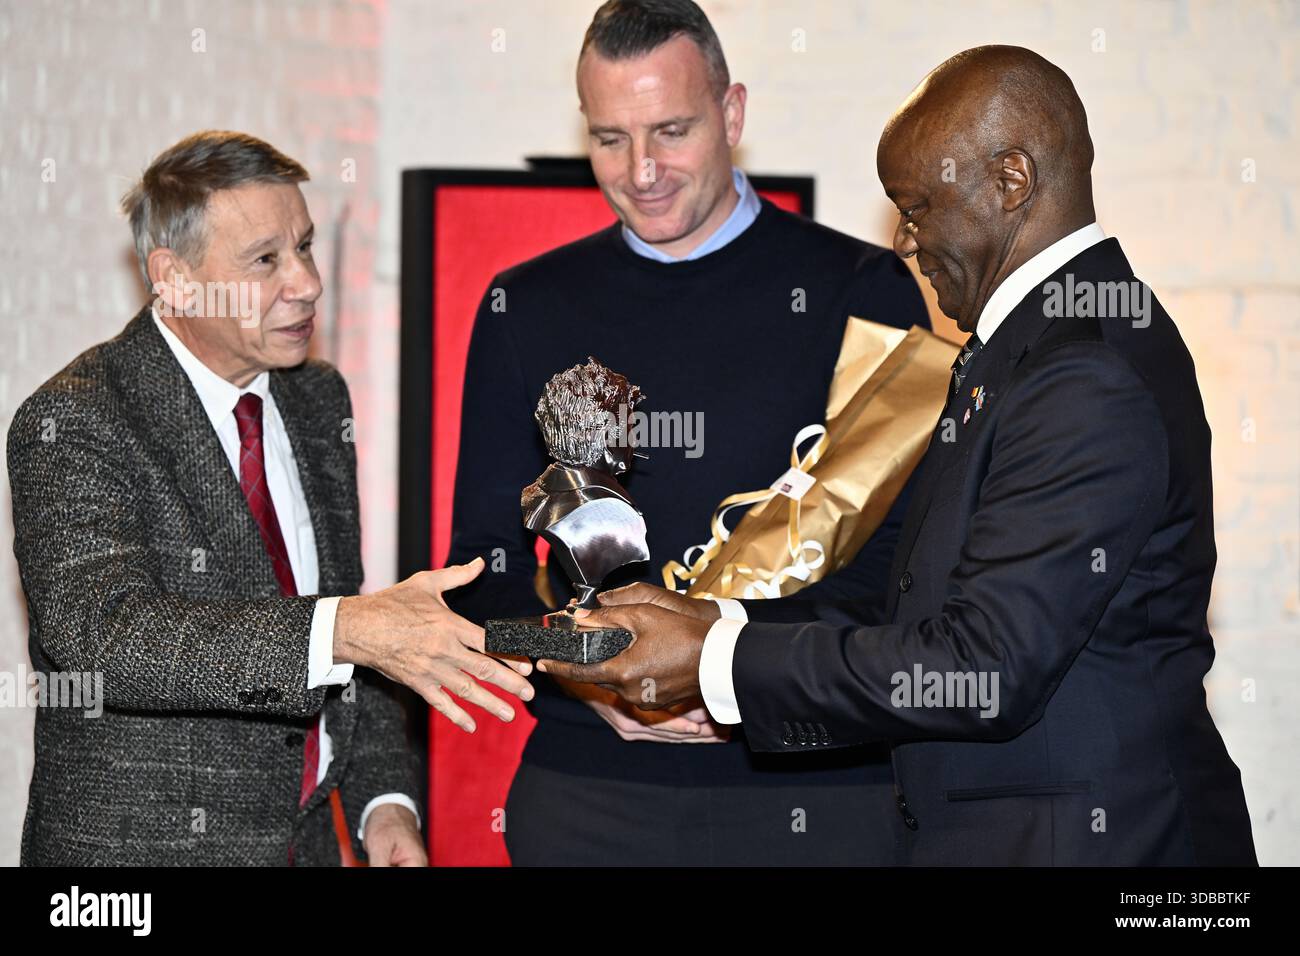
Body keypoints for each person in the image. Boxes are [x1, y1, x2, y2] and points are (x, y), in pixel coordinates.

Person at [547, 45, 1258, 866]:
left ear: (1012, 180)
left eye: (918, 206)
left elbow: (985, 667)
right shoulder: (1027, 348)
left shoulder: (1084, 367)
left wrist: (716, 658)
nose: (908, 241)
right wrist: (718, 619)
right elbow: (919, 619)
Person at [447, 0, 928, 865]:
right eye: (609, 138)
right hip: (589, 785)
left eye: (671, 130)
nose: (642, 170)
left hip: (815, 788)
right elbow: (485, 573)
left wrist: (728, 670)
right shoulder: (525, 304)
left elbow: (900, 569)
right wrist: (584, 676)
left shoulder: (863, 289)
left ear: (732, 112)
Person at [9, 131, 532, 866]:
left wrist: (385, 804)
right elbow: (103, 639)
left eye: (306, 247)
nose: (308, 283)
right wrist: (343, 629)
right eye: (265, 261)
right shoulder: (76, 421)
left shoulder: (318, 399)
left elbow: (352, 619)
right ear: (176, 279)